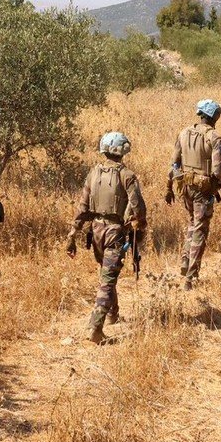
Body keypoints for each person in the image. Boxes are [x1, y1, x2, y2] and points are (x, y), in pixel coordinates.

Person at [66, 131, 147, 343]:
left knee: (107, 274)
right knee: (107, 281)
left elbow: (83, 206)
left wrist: (73, 233)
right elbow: (138, 207)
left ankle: (112, 314)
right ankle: (95, 327)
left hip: (96, 232)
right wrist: (139, 232)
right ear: (123, 150)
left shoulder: (94, 173)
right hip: (115, 233)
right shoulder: (127, 175)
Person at [166, 99, 221, 288]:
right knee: (200, 229)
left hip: (185, 186)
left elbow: (174, 163)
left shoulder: (184, 133)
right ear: (213, 115)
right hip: (203, 189)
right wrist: (220, 183)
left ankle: (185, 261)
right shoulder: (214, 137)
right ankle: (191, 277)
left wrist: (169, 187)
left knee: (192, 224)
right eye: (218, 113)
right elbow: (217, 170)